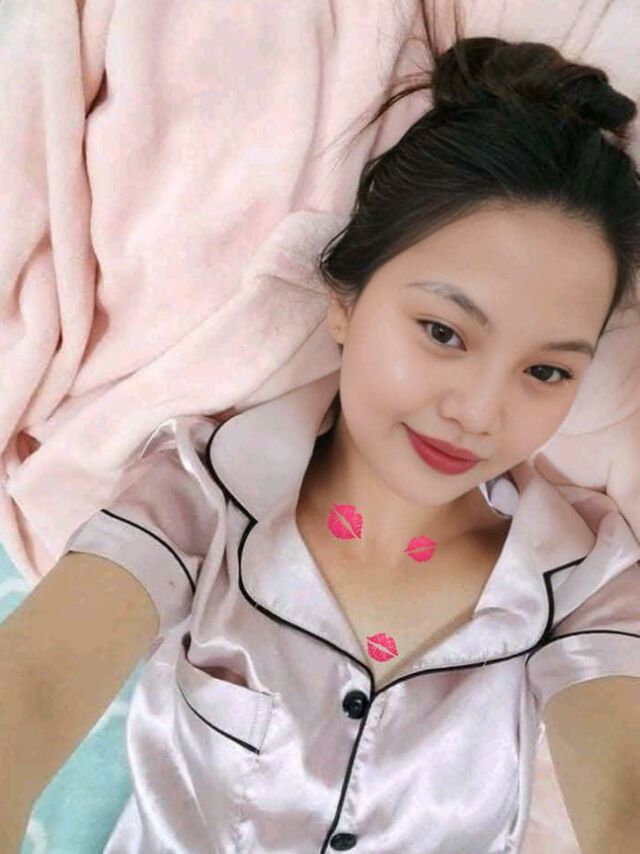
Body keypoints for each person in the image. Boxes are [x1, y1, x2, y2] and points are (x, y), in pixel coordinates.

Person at [3, 8, 640, 853]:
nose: (481, 412)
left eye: (547, 372)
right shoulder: (198, 498)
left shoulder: (589, 581)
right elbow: (33, 688)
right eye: (443, 332)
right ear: (343, 302)